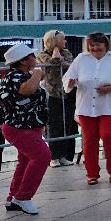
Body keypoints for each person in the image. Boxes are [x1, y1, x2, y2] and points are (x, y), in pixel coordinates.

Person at [65, 31, 111, 185]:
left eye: (98, 45)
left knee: (109, 136)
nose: (95, 48)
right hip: (86, 107)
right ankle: (92, 173)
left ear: (105, 45)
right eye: (92, 45)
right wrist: (70, 82)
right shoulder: (81, 59)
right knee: (89, 141)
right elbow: (68, 77)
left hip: (109, 106)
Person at [0, 42, 51, 214]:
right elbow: (26, 90)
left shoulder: (20, 75)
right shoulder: (15, 76)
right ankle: (23, 197)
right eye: (32, 56)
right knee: (42, 156)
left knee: (26, 160)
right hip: (19, 127)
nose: (35, 59)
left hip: (28, 126)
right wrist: (37, 74)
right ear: (23, 61)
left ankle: (13, 198)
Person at [38, 30, 77, 167]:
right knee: (55, 126)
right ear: (54, 42)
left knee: (67, 124)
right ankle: (53, 156)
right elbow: (53, 64)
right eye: (62, 39)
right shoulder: (43, 55)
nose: (65, 41)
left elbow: (72, 66)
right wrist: (56, 56)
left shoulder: (66, 53)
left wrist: (60, 61)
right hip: (53, 93)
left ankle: (64, 155)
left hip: (67, 92)